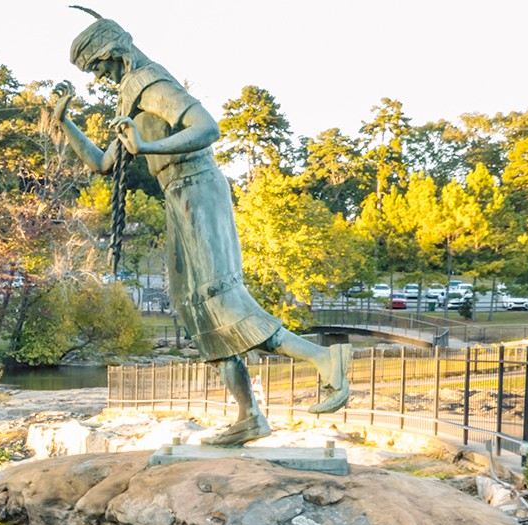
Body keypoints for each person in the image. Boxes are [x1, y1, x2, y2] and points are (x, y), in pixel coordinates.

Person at [52, 9, 350, 446]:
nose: (98, 76)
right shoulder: (129, 94)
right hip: (177, 196)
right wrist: (63, 121)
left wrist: (148, 145)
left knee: (220, 298)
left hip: (197, 189)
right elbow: (103, 163)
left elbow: (207, 127)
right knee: (194, 306)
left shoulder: (150, 81)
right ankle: (250, 417)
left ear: (113, 52)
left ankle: (325, 358)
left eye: (98, 66)